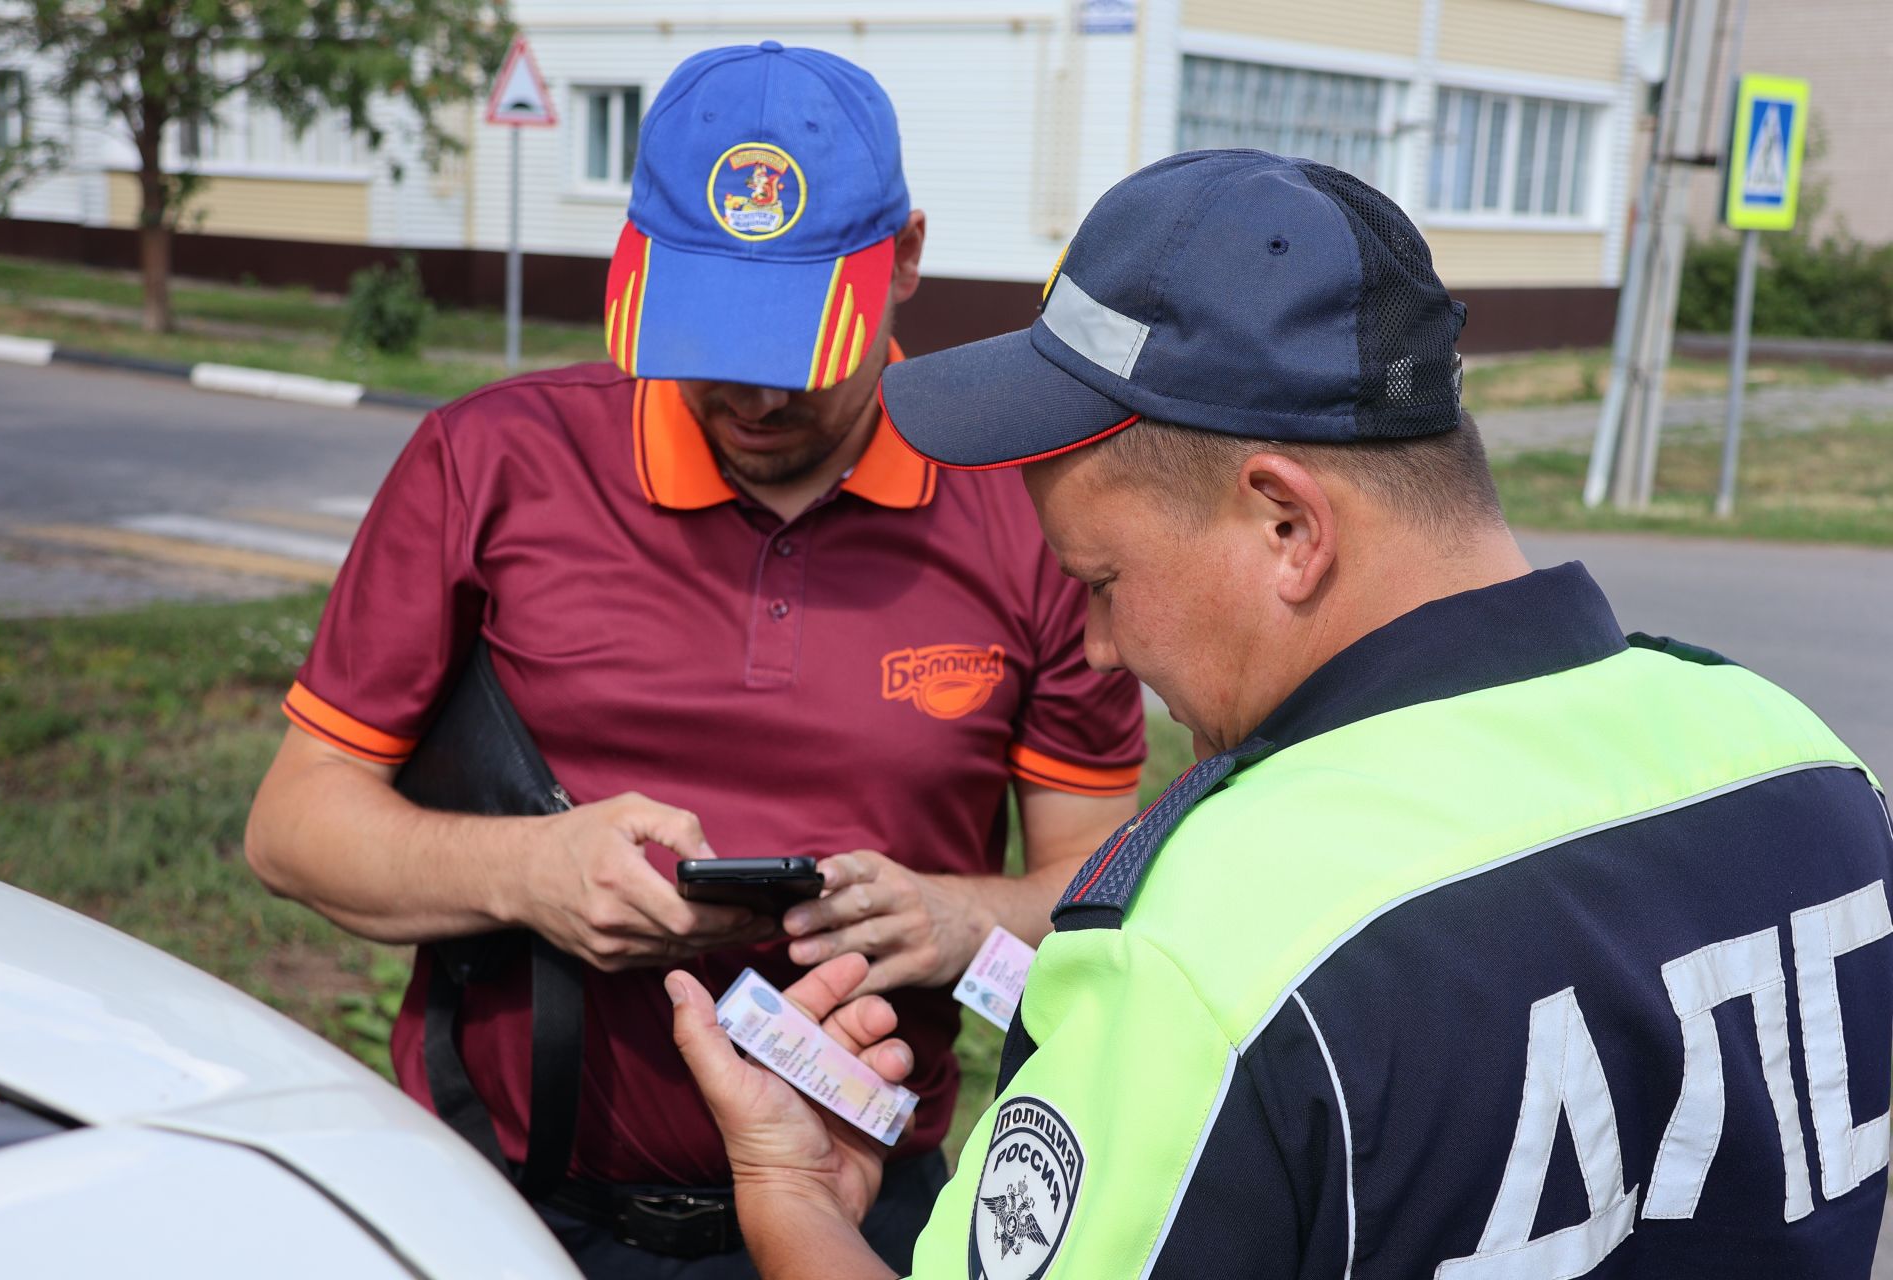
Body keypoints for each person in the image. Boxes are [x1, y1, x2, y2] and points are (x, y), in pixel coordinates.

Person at [666, 149, 1893, 1277]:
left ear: (1289, 527)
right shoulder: (1809, 766)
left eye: (1100, 580)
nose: (1096, 642)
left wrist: (795, 1200)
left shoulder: (1212, 944)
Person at [243, 41, 1144, 1278]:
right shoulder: (489, 465)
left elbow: (1103, 907)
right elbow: (294, 827)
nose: (755, 396)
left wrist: (958, 920)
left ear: (910, 261)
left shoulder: (1019, 518)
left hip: (865, 1209)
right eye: (711, 332)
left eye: (799, 349)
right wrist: (531, 870)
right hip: (513, 1203)